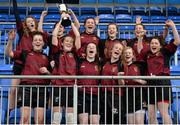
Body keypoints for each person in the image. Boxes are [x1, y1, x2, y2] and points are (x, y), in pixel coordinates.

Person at [9, 0, 48, 110]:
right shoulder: (22, 32)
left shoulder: (38, 36)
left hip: (32, 65)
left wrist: (42, 18)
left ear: (34, 23)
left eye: (32, 21)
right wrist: (14, 2)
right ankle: (10, 110)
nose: (30, 22)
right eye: (27, 21)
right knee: (13, 90)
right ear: (25, 24)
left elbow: (44, 47)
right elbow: (17, 16)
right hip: (20, 63)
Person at [139, 20, 180, 124]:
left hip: (163, 83)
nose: (153, 45)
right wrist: (140, 38)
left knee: (163, 112)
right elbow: (140, 50)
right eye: (152, 43)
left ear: (160, 46)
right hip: (150, 85)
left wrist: (173, 27)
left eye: (156, 43)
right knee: (151, 114)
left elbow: (177, 41)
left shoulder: (165, 52)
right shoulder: (147, 54)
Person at [5, 30, 50, 124]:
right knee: (25, 118)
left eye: (40, 40)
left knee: (40, 120)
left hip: (42, 89)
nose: (38, 41)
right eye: (36, 40)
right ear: (32, 42)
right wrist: (10, 41)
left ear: (43, 43)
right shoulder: (25, 53)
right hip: (26, 88)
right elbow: (9, 53)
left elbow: (52, 76)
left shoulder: (47, 58)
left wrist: (47, 72)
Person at [50, 14, 80, 124]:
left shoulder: (75, 53)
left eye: (70, 42)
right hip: (58, 85)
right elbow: (54, 35)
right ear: (61, 43)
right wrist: (61, 20)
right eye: (66, 41)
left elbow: (77, 35)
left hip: (71, 86)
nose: (69, 43)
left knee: (70, 118)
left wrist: (70, 21)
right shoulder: (57, 52)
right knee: (56, 117)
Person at [100, 42, 126, 124]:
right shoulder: (104, 62)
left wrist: (120, 78)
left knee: (116, 120)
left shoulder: (122, 65)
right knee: (104, 120)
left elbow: (122, 84)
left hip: (115, 96)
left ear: (121, 53)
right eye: (116, 48)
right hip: (103, 95)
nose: (117, 50)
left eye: (120, 49)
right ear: (112, 50)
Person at [120, 47, 147, 124]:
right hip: (127, 96)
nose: (127, 54)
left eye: (129, 53)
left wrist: (136, 80)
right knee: (130, 122)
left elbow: (146, 82)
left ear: (133, 55)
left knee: (139, 122)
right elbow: (121, 84)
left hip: (138, 95)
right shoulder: (121, 67)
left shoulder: (139, 66)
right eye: (125, 53)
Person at [77, 42, 100, 124]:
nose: (91, 48)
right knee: (84, 122)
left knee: (95, 122)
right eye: (89, 47)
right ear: (86, 51)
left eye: (93, 47)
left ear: (96, 51)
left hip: (95, 95)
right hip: (81, 94)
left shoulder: (99, 64)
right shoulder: (79, 62)